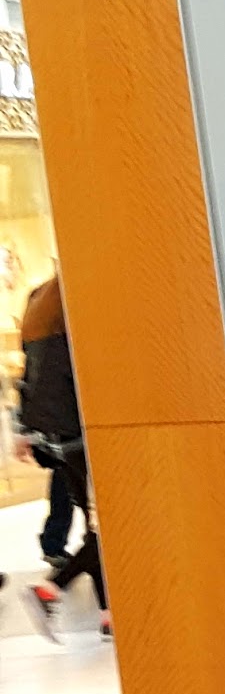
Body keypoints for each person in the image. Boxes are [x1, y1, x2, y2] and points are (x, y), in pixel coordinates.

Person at [14, 273, 107, 641]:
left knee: (96, 526)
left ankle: (108, 615)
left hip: (58, 438)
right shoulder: (74, 303)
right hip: (82, 435)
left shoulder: (39, 302)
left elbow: (28, 379)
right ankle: (51, 589)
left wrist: (24, 429)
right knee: (105, 528)